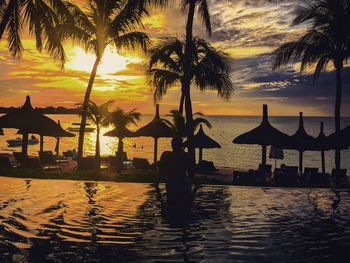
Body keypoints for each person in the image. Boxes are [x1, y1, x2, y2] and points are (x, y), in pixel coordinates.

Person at [159, 137, 194, 204]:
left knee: (171, 204)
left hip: (171, 184)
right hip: (182, 184)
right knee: (183, 206)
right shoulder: (185, 156)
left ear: (172, 145)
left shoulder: (166, 155)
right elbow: (191, 173)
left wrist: (156, 183)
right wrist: (195, 184)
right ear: (181, 145)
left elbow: (161, 172)